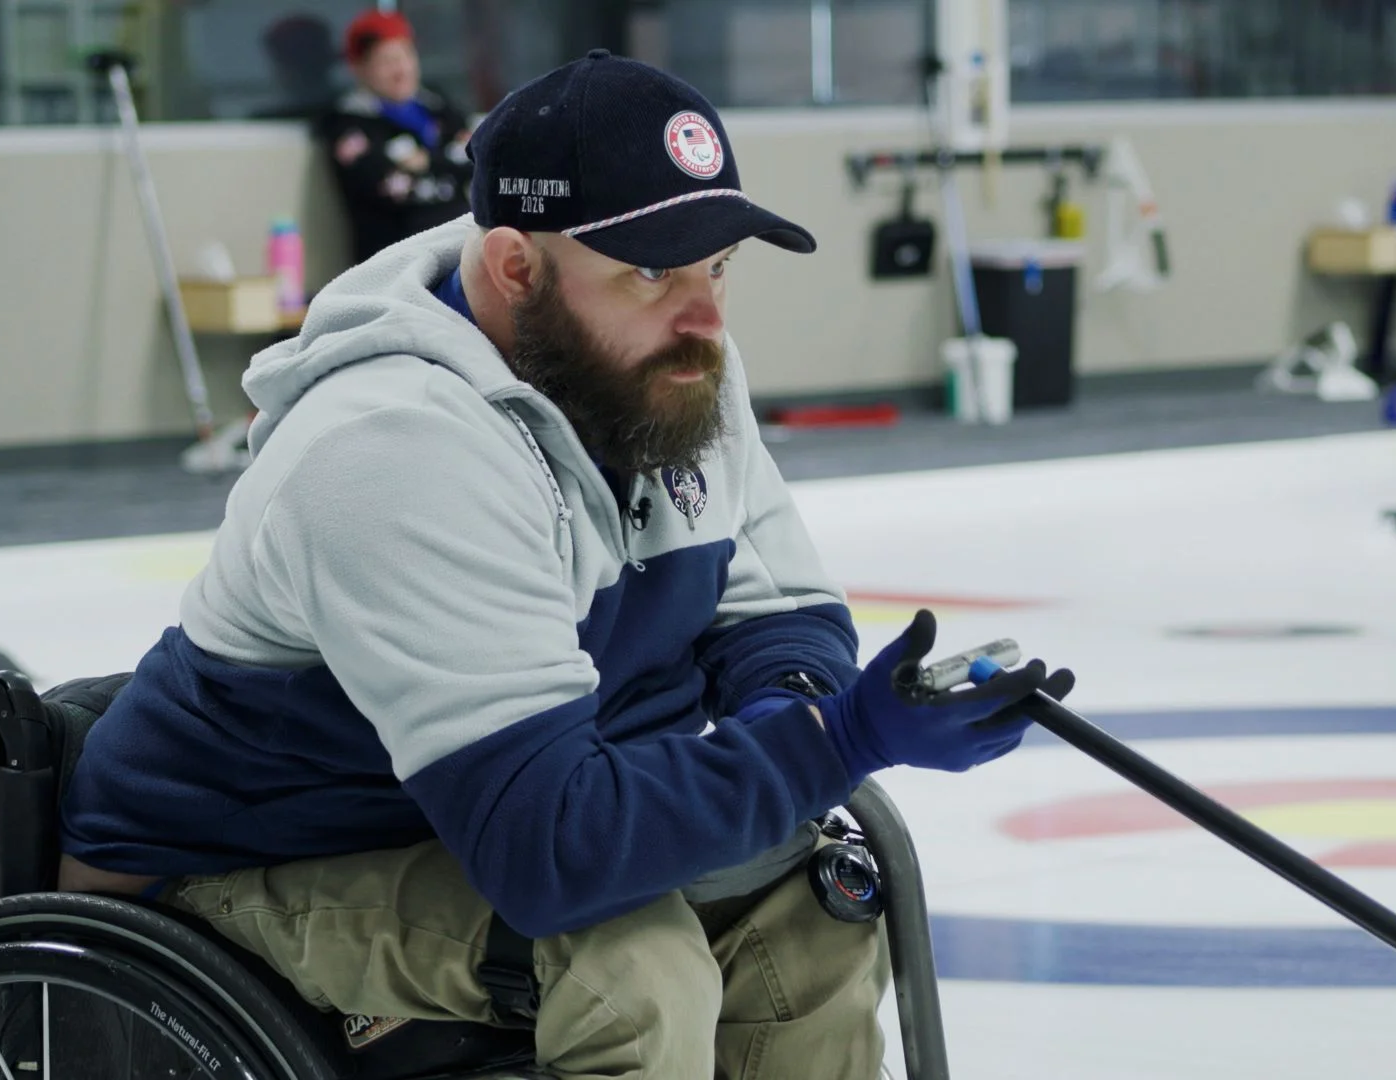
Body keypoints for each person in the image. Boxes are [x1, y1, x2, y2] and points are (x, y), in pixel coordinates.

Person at [57, 49, 1074, 1080]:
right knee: (630, 970)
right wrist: (835, 738)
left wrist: (792, 712)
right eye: (651, 271)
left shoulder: (668, 362)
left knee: (814, 915)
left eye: (716, 266)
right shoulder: (390, 446)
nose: (705, 317)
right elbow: (550, 854)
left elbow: (779, 606)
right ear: (513, 268)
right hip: (241, 867)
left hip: (474, 819)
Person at [315, 8, 475, 262]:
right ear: (360, 68)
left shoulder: (438, 107)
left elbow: (478, 162)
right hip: (394, 261)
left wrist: (425, 163)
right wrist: (448, 167)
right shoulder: (347, 123)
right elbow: (391, 192)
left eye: (405, 56)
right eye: (386, 61)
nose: (400, 70)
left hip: (462, 252)